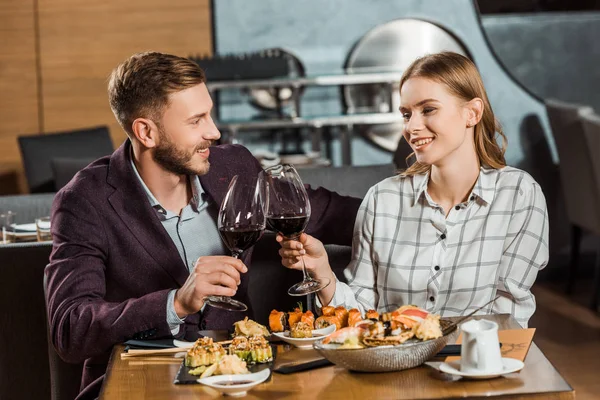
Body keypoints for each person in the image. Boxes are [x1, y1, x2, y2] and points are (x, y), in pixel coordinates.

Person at [45, 51, 361, 399]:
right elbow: (70, 329)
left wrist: (419, 212)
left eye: (209, 114)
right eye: (196, 121)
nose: (214, 131)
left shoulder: (233, 167)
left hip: (243, 380)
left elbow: (329, 213)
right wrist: (176, 303)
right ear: (146, 132)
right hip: (139, 384)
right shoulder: (84, 201)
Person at [278, 52, 549, 328]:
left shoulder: (519, 195)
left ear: (472, 113)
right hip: (392, 362)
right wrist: (321, 270)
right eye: (407, 114)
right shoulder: (381, 199)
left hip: (480, 362)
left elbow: (506, 318)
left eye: (428, 109)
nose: (412, 127)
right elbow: (361, 316)